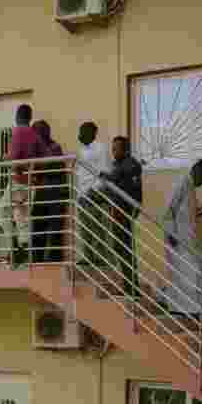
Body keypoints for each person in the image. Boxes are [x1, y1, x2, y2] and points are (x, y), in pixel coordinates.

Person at [163, 159, 202, 317]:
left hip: (186, 237)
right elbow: (169, 209)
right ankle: (180, 310)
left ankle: (189, 310)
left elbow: (183, 210)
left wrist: (197, 212)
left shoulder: (190, 185)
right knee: (186, 273)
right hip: (177, 238)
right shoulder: (182, 182)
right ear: (196, 170)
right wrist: (170, 233)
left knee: (191, 273)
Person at [99, 136, 143, 297]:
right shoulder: (118, 165)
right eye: (113, 148)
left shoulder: (131, 165)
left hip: (123, 211)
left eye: (116, 148)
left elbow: (133, 190)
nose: (113, 151)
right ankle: (129, 285)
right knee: (120, 248)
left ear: (126, 149)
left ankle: (131, 288)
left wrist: (109, 178)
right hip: (116, 209)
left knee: (124, 248)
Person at [5, 104, 42, 266]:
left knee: (1, 211)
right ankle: (23, 247)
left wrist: (11, 163)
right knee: (21, 216)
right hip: (29, 182)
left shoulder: (18, 131)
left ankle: (16, 246)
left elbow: (13, 158)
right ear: (30, 117)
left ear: (17, 116)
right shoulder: (34, 134)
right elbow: (44, 155)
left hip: (18, 181)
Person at [75, 122, 114, 266]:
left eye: (82, 131)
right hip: (81, 194)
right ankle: (88, 256)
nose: (79, 134)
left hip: (93, 193)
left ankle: (100, 258)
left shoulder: (100, 149)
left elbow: (105, 173)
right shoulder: (81, 150)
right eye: (80, 131)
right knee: (85, 228)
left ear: (92, 133)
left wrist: (93, 190)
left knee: (96, 226)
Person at [32, 120, 68, 263]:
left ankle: (54, 261)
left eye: (36, 132)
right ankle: (37, 260)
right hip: (42, 194)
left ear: (44, 133)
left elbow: (50, 164)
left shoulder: (55, 147)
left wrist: (36, 168)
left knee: (55, 231)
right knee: (37, 228)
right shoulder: (39, 149)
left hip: (55, 195)